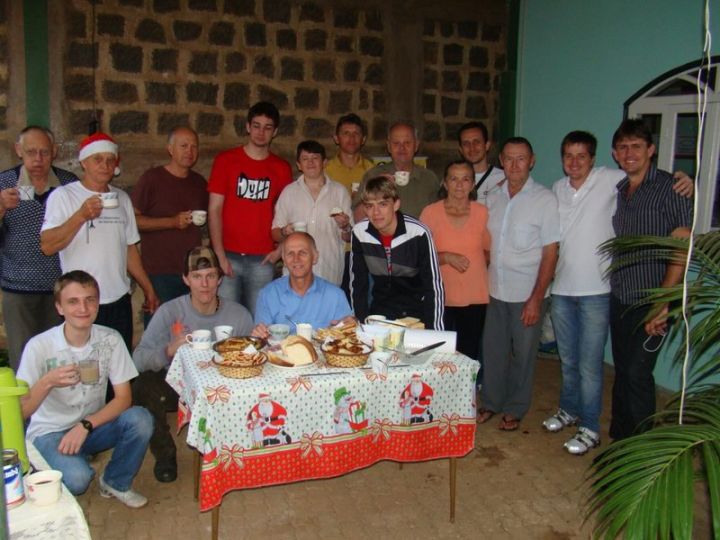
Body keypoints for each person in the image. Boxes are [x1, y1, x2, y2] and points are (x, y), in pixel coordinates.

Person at [544, 130, 695, 454]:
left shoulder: (629, 182)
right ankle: (588, 419)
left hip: (617, 294)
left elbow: (682, 238)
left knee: (614, 369)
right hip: (599, 293)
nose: (574, 162)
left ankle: (604, 433)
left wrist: (688, 179)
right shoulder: (614, 187)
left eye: (581, 155)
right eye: (568, 156)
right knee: (588, 364)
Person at [17, 270, 153, 507]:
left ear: (97, 305)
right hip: (50, 432)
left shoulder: (110, 339)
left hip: (91, 426)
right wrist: (48, 381)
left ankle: (115, 481)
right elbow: (21, 412)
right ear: (59, 308)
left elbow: (123, 399)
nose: (83, 308)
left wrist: (86, 425)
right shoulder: (39, 346)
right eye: (73, 301)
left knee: (141, 419)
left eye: (90, 300)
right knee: (78, 479)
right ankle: (52, 462)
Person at [132, 246, 253, 482]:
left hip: (224, 386)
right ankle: (165, 454)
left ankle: (239, 448)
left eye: (210, 276)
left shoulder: (238, 315)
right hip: (178, 385)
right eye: (197, 277)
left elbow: (254, 357)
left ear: (219, 278)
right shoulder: (170, 311)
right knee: (142, 385)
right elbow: (138, 359)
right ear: (186, 279)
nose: (204, 284)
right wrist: (167, 351)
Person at [608, 119, 692, 441]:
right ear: (616, 154)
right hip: (620, 297)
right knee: (622, 372)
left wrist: (662, 302)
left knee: (637, 374)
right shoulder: (620, 190)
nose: (630, 154)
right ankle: (620, 440)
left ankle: (642, 450)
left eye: (637, 147)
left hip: (653, 302)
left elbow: (682, 246)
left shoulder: (672, 188)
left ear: (651, 150)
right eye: (623, 148)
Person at [40, 132, 158, 351]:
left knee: (118, 367)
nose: (104, 165)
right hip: (81, 303)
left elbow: (129, 248)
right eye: (97, 159)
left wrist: (148, 287)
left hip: (118, 298)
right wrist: (81, 216)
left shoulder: (122, 198)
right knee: (83, 369)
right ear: (84, 162)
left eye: (109, 160)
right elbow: (47, 246)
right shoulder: (64, 196)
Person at [478, 137, 559, 431]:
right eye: (509, 159)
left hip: (527, 293)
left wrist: (537, 298)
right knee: (494, 351)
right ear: (501, 160)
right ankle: (490, 400)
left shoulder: (544, 199)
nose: (514, 165)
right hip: (495, 290)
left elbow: (551, 252)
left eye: (521, 159)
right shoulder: (494, 196)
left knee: (523, 355)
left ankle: (515, 407)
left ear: (532, 161)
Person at [0, 126, 79, 369]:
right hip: (18, 287)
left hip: (60, 287)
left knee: (59, 358)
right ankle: (26, 407)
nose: (38, 159)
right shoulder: (4, 182)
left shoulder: (69, 184)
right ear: (18, 151)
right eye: (31, 152)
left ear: (54, 152)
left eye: (44, 152)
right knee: (24, 360)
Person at [207, 101, 292, 316]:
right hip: (228, 254)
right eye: (256, 125)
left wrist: (279, 251)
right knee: (226, 320)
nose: (261, 132)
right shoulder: (226, 161)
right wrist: (218, 254)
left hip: (263, 257)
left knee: (259, 320)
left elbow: (288, 214)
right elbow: (214, 209)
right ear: (247, 127)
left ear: (275, 132)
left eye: (267, 127)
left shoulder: (281, 168)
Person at [131, 126, 208, 317]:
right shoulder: (152, 179)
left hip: (192, 270)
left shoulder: (199, 182)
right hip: (160, 271)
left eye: (194, 147)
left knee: (190, 327)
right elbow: (133, 221)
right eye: (183, 146)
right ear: (170, 149)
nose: (189, 151)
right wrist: (171, 222)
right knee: (160, 327)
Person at [350, 176, 444, 329]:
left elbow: (434, 286)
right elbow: (358, 285)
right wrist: (361, 326)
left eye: (383, 204)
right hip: (380, 314)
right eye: (369, 206)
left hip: (416, 315)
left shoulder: (418, 233)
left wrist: (436, 331)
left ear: (396, 204)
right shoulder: (360, 232)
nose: (376, 212)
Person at [420, 160, 490, 359]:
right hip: (441, 295)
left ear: (473, 184)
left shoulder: (482, 213)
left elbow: (488, 251)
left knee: (469, 353)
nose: (459, 185)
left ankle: (469, 390)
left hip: (474, 296)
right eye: (454, 179)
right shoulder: (430, 213)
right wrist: (447, 257)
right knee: (440, 355)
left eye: (465, 179)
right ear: (444, 183)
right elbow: (421, 256)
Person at [272, 140, 352, 285]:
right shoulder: (289, 192)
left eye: (315, 158)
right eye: (305, 159)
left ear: (325, 162)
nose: (310, 162)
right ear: (298, 165)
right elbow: (275, 233)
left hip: (329, 269)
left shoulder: (339, 192)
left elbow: (349, 237)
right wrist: (285, 231)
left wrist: (345, 226)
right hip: (295, 271)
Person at [253, 232, 353, 336]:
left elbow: (346, 335)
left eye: (302, 253)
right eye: (290, 253)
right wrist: (259, 333)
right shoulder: (268, 294)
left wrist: (352, 327)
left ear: (315, 257)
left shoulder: (335, 296)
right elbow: (262, 339)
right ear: (284, 259)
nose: (296, 259)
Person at [359, 122, 439, 218]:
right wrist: (376, 188)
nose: (402, 148)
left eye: (407, 143)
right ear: (389, 146)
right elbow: (357, 217)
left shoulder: (429, 178)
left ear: (416, 145)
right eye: (396, 143)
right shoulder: (373, 175)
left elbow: (438, 217)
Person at [325, 113, 375, 195]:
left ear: (363, 139)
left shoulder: (372, 171)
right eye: (346, 133)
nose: (352, 138)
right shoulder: (326, 170)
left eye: (356, 133)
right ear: (336, 138)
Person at [457, 121, 505, 203]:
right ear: (461, 150)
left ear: (487, 145)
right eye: (466, 144)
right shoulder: (452, 179)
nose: (472, 148)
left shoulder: (503, 178)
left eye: (476, 142)